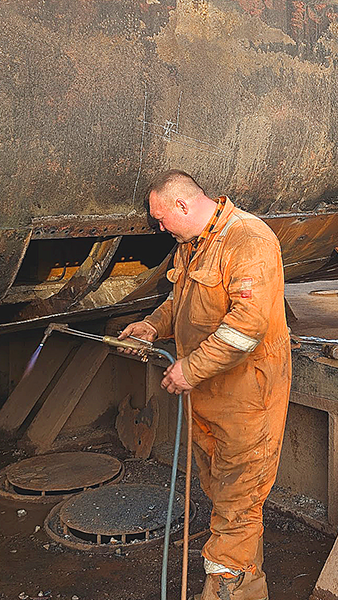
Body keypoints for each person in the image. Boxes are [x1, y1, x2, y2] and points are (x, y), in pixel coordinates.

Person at [119, 170, 291, 600]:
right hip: (212, 402)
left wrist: (189, 369)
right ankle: (246, 585)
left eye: (161, 219)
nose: (159, 228)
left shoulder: (248, 240)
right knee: (227, 502)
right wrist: (150, 326)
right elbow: (180, 301)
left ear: (183, 205)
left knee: (237, 508)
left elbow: (246, 327)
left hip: (248, 401)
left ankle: (225, 593)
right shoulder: (194, 245)